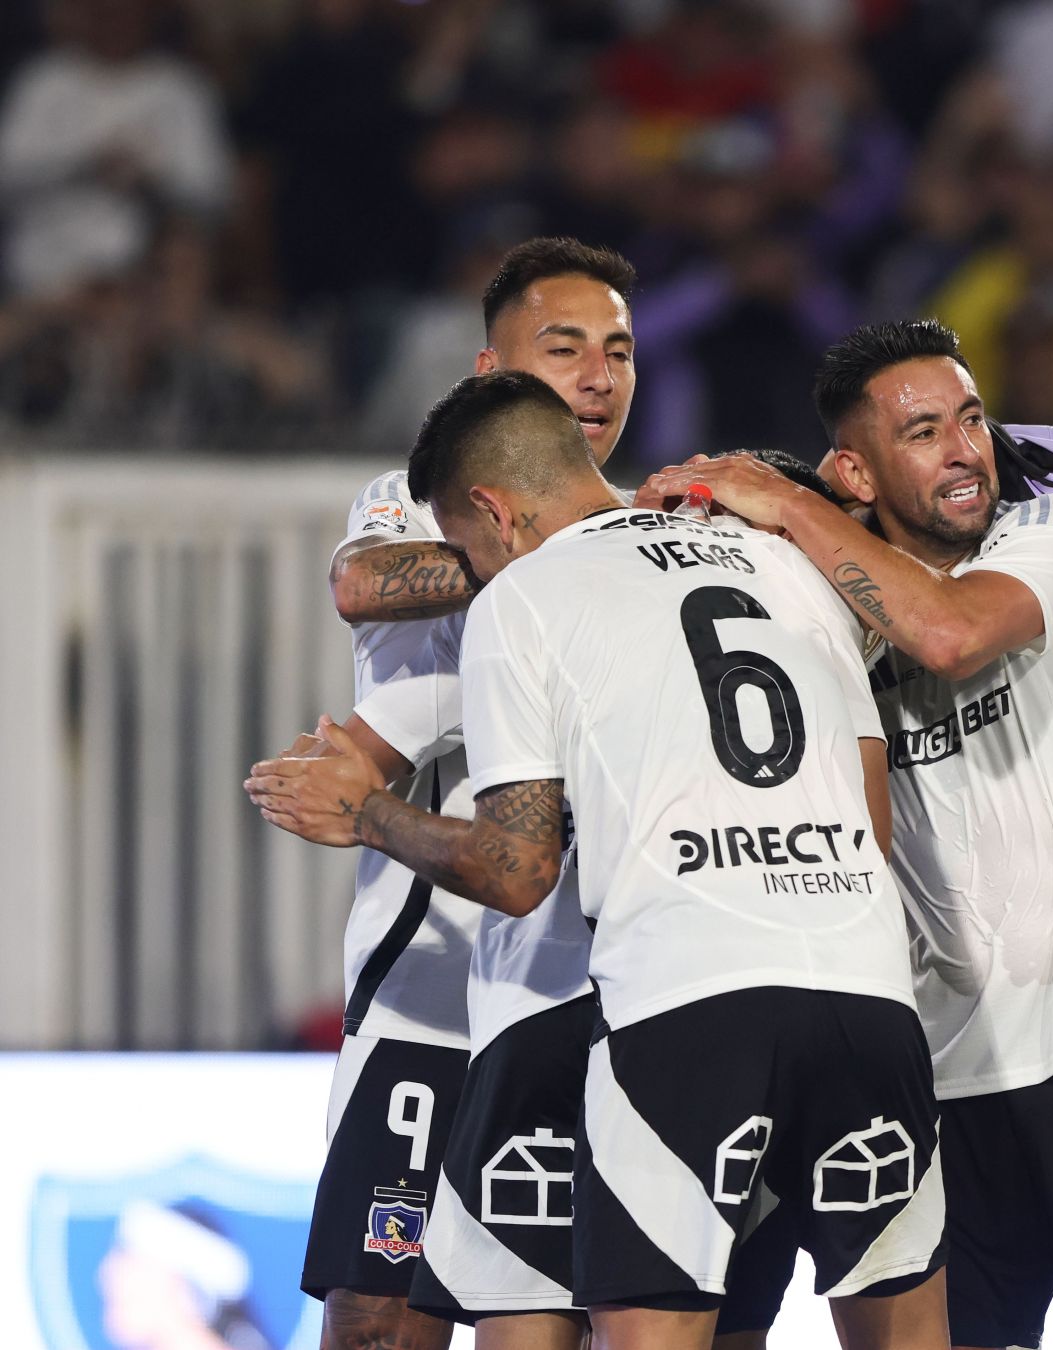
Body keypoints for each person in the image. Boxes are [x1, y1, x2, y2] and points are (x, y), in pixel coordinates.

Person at [249, 371, 948, 1350]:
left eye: (468, 547)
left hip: (685, 1007)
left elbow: (516, 868)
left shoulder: (523, 596)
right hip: (864, 993)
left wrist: (367, 813)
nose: (477, 567)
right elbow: (870, 818)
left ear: (494, 511)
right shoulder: (781, 559)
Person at [637, 320, 1053, 1350]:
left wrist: (785, 502)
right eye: (922, 433)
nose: (965, 450)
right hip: (941, 1077)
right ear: (855, 471)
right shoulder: (826, 621)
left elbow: (949, 634)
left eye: (970, 419)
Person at [312, 239, 794, 1349]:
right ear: (492, 371)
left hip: (584, 980)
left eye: (617, 351)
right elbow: (361, 583)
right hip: (433, 975)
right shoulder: (419, 497)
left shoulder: (653, 531)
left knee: (579, 1312)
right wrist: (571, 542)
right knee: (379, 1314)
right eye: (564, 347)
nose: (597, 375)